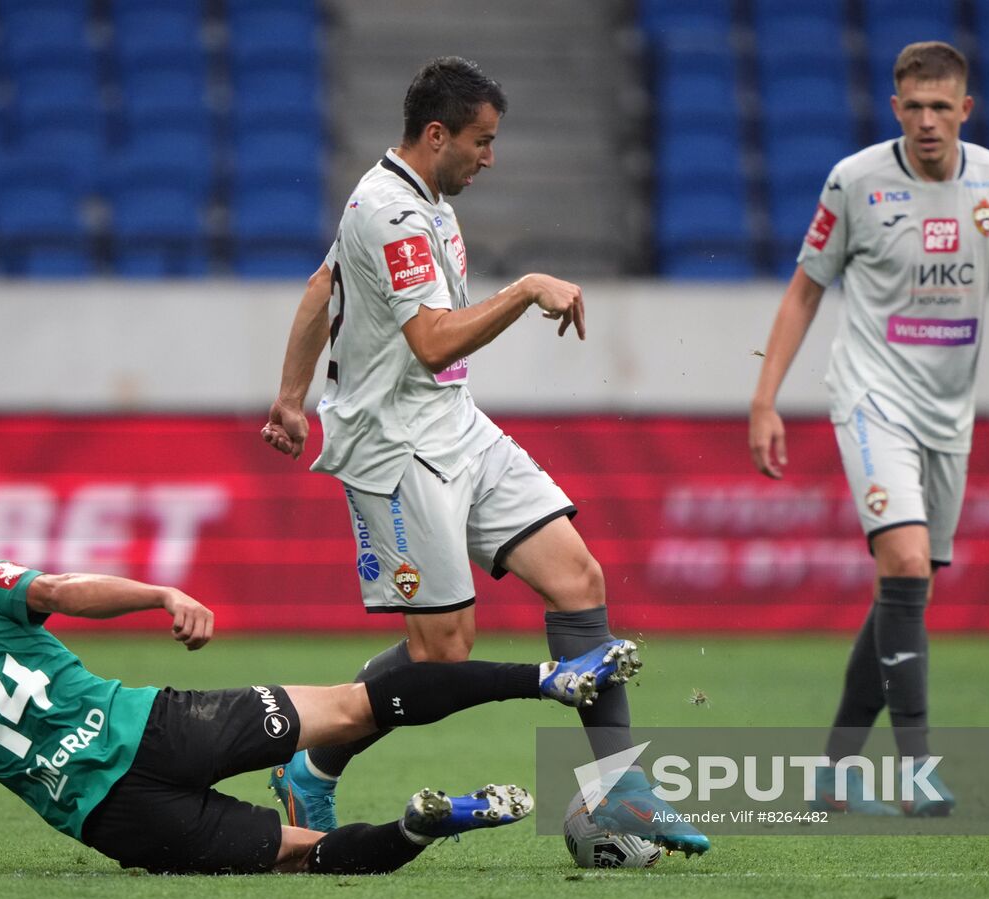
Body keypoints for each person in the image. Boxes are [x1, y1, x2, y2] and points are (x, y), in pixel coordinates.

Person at [260, 56, 708, 854]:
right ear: (436, 135)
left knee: (578, 577)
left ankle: (620, 791)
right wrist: (526, 286)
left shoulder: (419, 196)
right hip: (394, 449)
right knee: (444, 652)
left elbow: (321, 287)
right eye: (481, 140)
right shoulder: (391, 213)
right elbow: (431, 342)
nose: (489, 157)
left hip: (455, 424)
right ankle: (312, 765)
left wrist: (292, 399)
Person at [0, 518, 641, 874]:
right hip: (160, 728)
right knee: (356, 705)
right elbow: (61, 587)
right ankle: (548, 678)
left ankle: (422, 821)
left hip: (111, 820)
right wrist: (162, 595)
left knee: (308, 854)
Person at [748, 41, 989, 815]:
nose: (926, 121)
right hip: (870, 396)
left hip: (949, 412)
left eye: (940, 108)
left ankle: (832, 768)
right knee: (909, 561)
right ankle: (917, 772)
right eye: (913, 107)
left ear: (965, 110)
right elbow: (803, 293)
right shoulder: (855, 182)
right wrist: (764, 399)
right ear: (895, 108)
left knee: (903, 583)